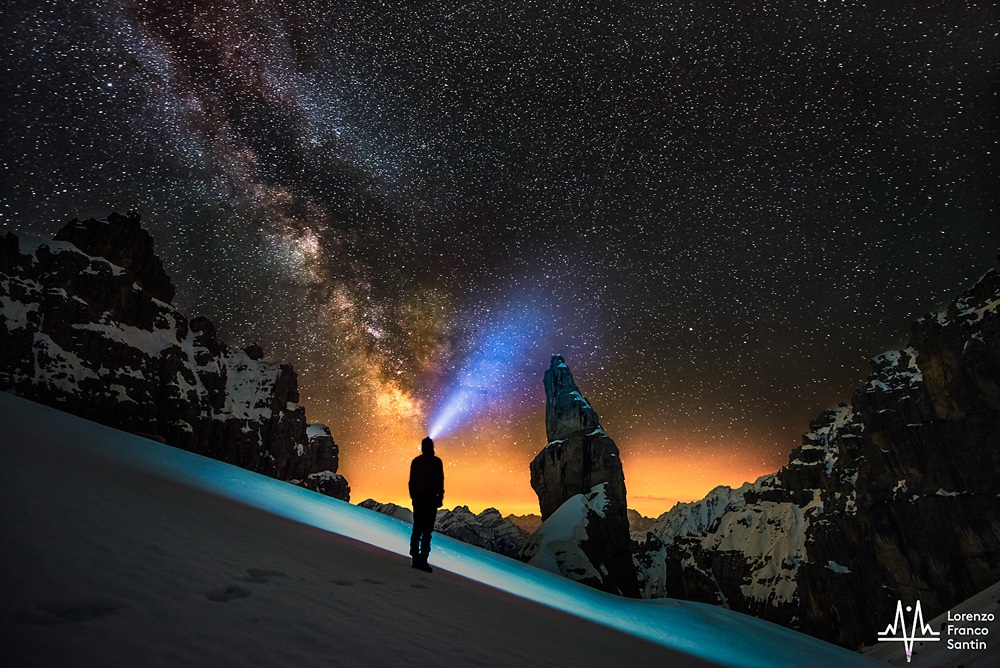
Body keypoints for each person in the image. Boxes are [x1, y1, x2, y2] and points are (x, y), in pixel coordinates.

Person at [408, 436, 444, 573]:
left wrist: (414, 497)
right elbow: (440, 481)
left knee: (418, 530)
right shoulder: (436, 462)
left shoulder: (417, 461)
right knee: (426, 531)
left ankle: (416, 558)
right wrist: (439, 497)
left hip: (421, 500)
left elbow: (411, 482)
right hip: (429, 501)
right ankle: (422, 559)